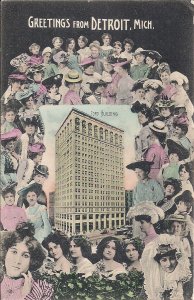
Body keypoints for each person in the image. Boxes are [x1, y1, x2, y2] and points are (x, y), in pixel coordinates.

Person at [0, 222, 53, 300]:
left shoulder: (44, 289)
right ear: (5, 253)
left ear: (32, 261)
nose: (18, 261)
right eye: (14, 252)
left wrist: (26, 297)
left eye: (25, 256)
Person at [141, 234, 191, 300]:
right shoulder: (151, 284)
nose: (169, 264)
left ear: (178, 258)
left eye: (172, 258)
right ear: (158, 262)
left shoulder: (186, 280)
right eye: (164, 260)